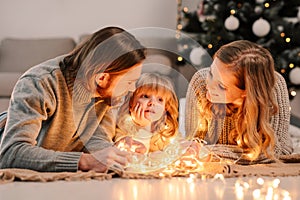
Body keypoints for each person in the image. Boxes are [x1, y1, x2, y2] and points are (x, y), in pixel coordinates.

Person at [0, 26, 146, 172]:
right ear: (102, 78)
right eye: (129, 82)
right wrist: (83, 161)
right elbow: (11, 152)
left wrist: (115, 151)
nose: (132, 89)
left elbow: (95, 139)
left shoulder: (107, 93)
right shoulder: (39, 82)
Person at [185, 40, 293, 164]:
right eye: (211, 73)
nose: (209, 85)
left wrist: (211, 153)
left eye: (221, 86)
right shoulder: (200, 82)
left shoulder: (275, 88)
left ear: (246, 92)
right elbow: (194, 145)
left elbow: (275, 151)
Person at [114, 73, 179, 154]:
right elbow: (136, 156)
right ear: (131, 103)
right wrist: (143, 127)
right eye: (145, 96)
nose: (152, 103)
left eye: (160, 100)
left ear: (165, 108)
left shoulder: (167, 131)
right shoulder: (122, 129)